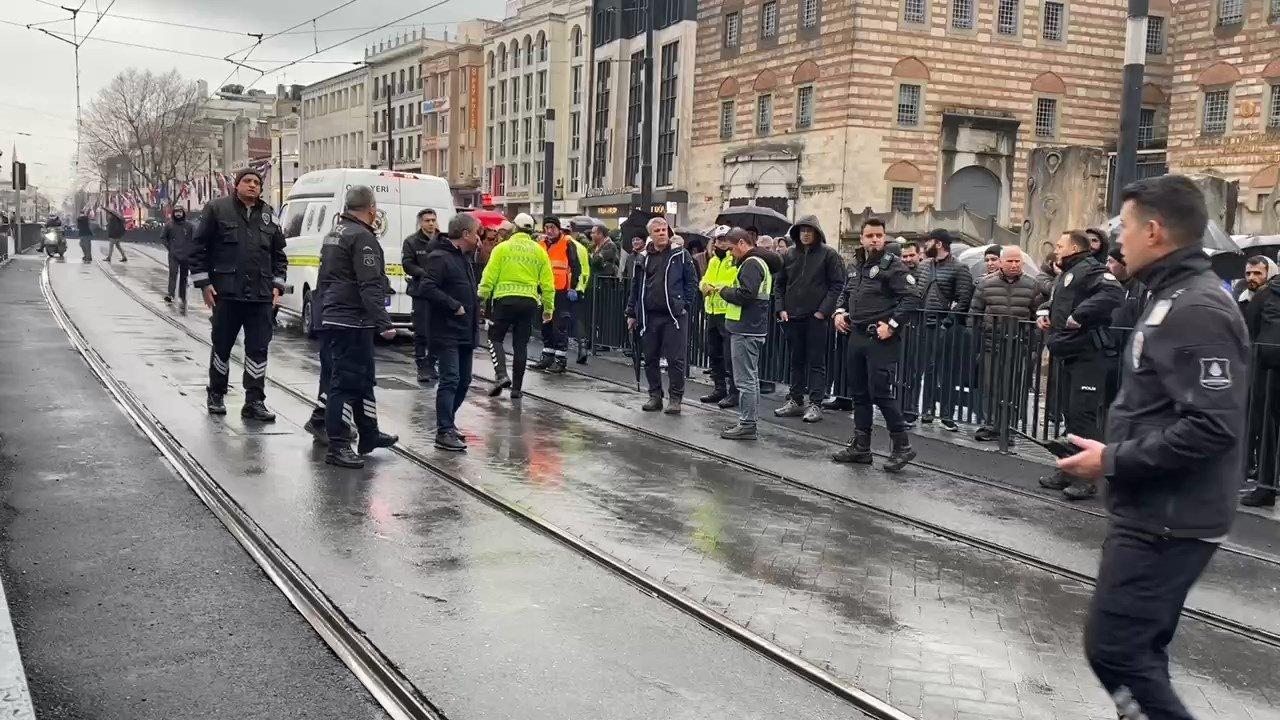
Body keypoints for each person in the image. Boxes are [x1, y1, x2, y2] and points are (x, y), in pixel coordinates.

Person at [1057, 174, 1249, 720]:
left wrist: (1112, 460)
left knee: (1116, 650)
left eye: (1126, 226)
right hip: (1155, 508)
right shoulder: (1171, 296)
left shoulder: (1197, 308)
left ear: (1155, 231)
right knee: (1136, 652)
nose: (1118, 239)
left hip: (1170, 518)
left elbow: (1212, 426)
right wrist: (1114, 448)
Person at [189, 168, 287, 420]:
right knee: (222, 346)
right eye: (247, 181)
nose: (252, 185)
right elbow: (198, 249)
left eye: (257, 182)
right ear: (237, 185)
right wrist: (204, 284)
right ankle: (216, 394)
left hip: (260, 296)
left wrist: (277, 285)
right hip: (227, 293)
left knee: (258, 349)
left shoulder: (269, 215)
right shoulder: (217, 209)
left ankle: (254, 401)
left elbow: (279, 255)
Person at [315, 185, 399, 468]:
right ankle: (338, 445)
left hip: (337, 314)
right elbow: (368, 283)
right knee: (345, 383)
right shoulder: (362, 237)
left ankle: (369, 432)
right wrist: (383, 321)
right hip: (352, 318)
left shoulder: (335, 232)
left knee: (363, 379)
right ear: (371, 208)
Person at [1037, 229, 1124, 500]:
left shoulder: (1090, 269)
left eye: (1060, 245)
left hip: (1089, 355)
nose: (1056, 249)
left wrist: (1079, 315)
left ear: (1074, 248)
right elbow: (1059, 299)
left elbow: (1113, 293)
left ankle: (1088, 478)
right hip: (1069, 353)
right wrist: (1044, 311)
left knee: (1083, 416)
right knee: (1071, 415)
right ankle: (1069, 468)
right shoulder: (1068, 272)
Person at [831, 218, 921, 472]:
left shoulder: (893, 266)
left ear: (884, 237)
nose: (875, 239)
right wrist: (839, 312)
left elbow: (912, 297)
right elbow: (846, 292)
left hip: (880, 338)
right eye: (870, 235)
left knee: (880, 392)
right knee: (859, 393)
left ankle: (902, 446)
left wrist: (892, 325)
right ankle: (861, 447)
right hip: (856, 335)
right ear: (861, 238)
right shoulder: (857, 265)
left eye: (879, 235)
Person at [774, 215, 846, 424]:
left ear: (817, 233)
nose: (805, 234)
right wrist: (781, 308)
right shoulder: (789, 254)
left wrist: (823, 311)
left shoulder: (829, 254)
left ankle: (815, 403)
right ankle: (796, 400)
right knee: (795, 360)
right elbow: (779, 284)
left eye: (809, 230)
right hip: (792, 316)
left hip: (816, 318)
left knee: (816, 362)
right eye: (802, 230)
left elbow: (837, 285)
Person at [421, 213, 482, 451]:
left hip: (465, 329)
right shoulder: (439, 257)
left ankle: (449, 421)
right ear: (465, 234)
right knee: (451, 379)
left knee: (464, 380)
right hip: (447, 330)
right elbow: (427, 287)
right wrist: (453, 305)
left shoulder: (463, 258)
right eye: (476, 233)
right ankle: (444, 429)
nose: (478, 238)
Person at [970, 246, 1044, 442]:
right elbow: (974, 313)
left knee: (1013, 387)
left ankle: (1008, 427)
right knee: (990, 385)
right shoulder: (985, 283)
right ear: (1001, 262)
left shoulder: (1032, 285)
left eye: (1017, 261)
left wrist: (1034, 345)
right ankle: (991, 425)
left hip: (1019, 345)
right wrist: (976, 338)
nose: (1014, 265)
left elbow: (1038, 317)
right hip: (991, 342)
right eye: (1010, 261)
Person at [479, 212, 555, 399]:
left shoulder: (502, 248)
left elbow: (489, 275)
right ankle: (517, 390)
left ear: (514, 227)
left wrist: (482, 296)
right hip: (529, 302)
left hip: (505, 300)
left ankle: (501, 375)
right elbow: (548, 282)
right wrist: (548, 307)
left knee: (495, 338)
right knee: (521, 344)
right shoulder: (539, 251)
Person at [626, 216, 698, 414]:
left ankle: (675, 399)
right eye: (657, 230)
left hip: (673, 315)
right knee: (650, 358)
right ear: (650, 234)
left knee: (676, 360)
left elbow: (692, 282)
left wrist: (684, 305)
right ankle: (655, 396)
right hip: (650, 315)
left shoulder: (680, 254)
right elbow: (635, 287)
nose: (661, 233)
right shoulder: (643, 257)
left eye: (664, 230)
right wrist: (631, 312)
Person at [718, 228, 775, 440]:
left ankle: (747, 424)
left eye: (731, 248)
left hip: (745, 328)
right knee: (751, 378)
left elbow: (746, 294)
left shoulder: (751, 263)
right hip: (752, 327)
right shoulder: (759, 262)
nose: (730, 253)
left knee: (745, 380)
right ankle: (748, 421)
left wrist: (724, 290)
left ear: (742, 243)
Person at [917, 229, 975, 430]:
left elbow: (963, 299)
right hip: (925, 325)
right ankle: (927, 410)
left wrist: (948, 321)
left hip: (948, 328)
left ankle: (947, 415)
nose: (925, 245)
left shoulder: (960, 268)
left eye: (929, 241)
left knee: (948, 372)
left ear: (939, 244)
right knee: (929, 370)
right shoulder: (924, 266)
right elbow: (917, 292)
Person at [1239, 255, 1280, 507]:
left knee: (1267, 428)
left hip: (1268, 371)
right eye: (1249, 273)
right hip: (1266, 369)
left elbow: (1255, 336)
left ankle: (1266, 485)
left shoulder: (1267, 296)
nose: (1252, 278)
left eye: (1257, 273)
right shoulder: (1261, 295)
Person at [530, 216, 582, 373]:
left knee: (559, 326)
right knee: (546, 323)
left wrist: (573, 287)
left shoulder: (567, 243)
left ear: (559, 229)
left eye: (552, 227)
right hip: (545, 290)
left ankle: (560, 360)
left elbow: (575, 266)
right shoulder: (541, 245)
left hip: (561, 291)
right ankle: (547, 356)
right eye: (546, 228)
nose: (549, 231)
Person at [699, 226, 738, 408]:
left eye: (724, 239)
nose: (721, 243)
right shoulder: (714, 260)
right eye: (718, 239)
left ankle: (734, 392)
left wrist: (716, 287)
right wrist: (704, 286)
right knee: (714, 353)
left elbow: (734, 282)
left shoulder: (735, 259)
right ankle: (719, 388)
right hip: (712, 310)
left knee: (729, 355)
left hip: (727, 311)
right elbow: (704, 279)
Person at [403, 208, 442, 383]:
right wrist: (423, 273)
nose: (431, 223)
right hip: (420, 292)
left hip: (439, 293)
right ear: (420, 222)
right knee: (421, 331)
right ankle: (421, 367)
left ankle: (431, 364)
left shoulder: (442, 240)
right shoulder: (411, 241)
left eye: (433, 220)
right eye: (427, 220)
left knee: (438, 332)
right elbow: (407, 264)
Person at [161, 207, 194, 311]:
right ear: (173, 213)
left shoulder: (189, 226)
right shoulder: (169, 225)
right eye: (176, 212)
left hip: (185, 255)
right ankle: (170, 294)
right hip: (173, 255)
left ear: (183, 213)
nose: (178, 214)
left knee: (184, 276)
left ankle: (182, 296)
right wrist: (170, 248)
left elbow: (194, 238)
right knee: (173, 274)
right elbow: (163, 237)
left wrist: (190, 249)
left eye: (180, 212)